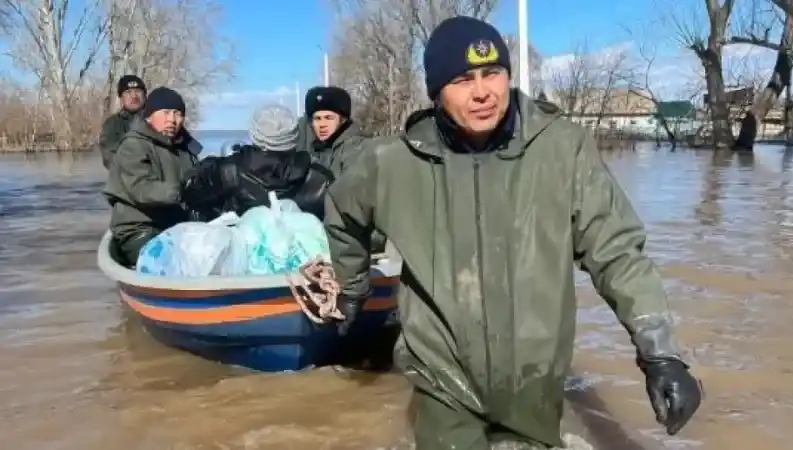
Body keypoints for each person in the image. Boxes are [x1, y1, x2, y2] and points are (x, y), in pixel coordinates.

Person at [323, 16, 703, 449]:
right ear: (436, 93)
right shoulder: (391, 163)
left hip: (534, 383)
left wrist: (660, 354)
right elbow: (342, 210)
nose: (483, 91)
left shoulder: (562, 149)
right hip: (442, 377)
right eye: (463, 79)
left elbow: (617, 252)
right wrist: (352, 286)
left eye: (493, 73)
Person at [180, 104, 333, 220]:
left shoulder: (226, 171)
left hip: (243, 257)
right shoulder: (319, 178)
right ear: (294, 136)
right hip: (303, 258)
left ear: (254, 134)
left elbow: (190, 194)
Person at [103, 87, 202, 266]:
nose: (172, 119)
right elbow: (140, 188)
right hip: (139, 229)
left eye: (178, 114)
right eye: (165, 113)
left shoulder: (185, 150)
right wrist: (182, 190)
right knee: (173, 264)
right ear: (149, 115)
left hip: (175, 226)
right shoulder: (133, 146)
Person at [303, 86, 366, 177]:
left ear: (343, 120)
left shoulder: (355, 150)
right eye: (317, 118)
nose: (322, 124)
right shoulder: (316, 150)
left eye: (329, 118)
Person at [98, 75, 147, 169]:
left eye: (138, 91)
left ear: (144, 95)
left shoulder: (156, 120)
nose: (134, 96)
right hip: (127, 180)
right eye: (128, 92)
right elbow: (110, 158)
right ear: (121, 98)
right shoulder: (112, 124)